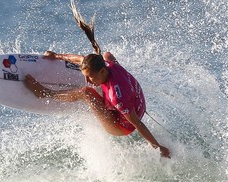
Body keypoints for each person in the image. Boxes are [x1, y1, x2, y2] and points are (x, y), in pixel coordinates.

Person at [24, 0, 171, 158]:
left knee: (86, 92)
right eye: (86, 76)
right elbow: (80, 59)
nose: (88, 80)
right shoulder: (107, 63)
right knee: (107, 54)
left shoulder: (117, 96)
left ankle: (44, 92)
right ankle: (109, 95)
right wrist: (57, 56)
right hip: (138, 102)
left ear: (102, 71)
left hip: (121, 126)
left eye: (91, 76)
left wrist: (158, 146)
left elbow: (137, 123)